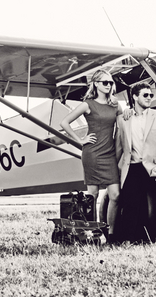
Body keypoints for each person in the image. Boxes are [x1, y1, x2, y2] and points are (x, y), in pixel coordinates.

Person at [115, 83, 156, 244]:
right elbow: (119, 147)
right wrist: (116, 172)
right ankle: (128, 240)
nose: (149, 98)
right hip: (133, 167)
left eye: (151, 95)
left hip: (154, 167)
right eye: (145, 95)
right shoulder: (123, 119)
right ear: (135, 97)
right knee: (131, 204)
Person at [59, 69, 121, 240]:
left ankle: (111, 233)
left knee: (115, 194)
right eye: (105, 82)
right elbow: (64, 122)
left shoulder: (116, 104)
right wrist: (80, 140)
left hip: (110, 154)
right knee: (92, 196)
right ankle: (92, 233)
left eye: (110, 82)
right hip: (92, 153)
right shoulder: (88, 104)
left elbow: (124, 123)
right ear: (96, 84)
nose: (109, 85)